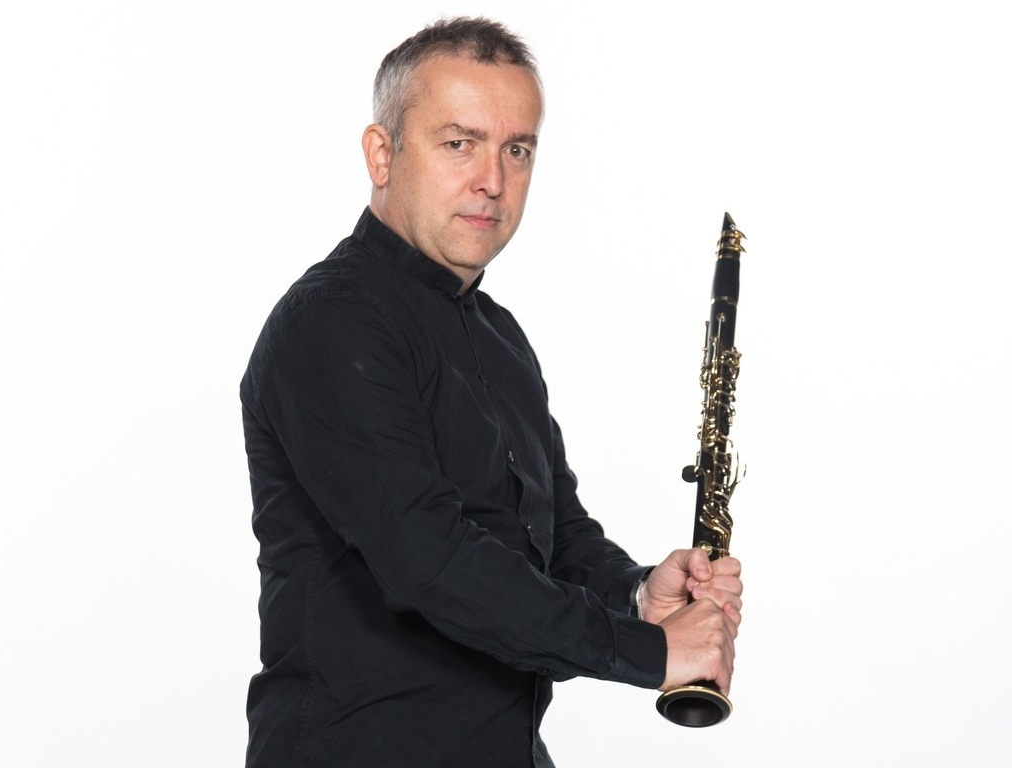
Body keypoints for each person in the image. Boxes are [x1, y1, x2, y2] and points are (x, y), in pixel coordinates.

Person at [239, 17, 742, 767]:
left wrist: (639, 594)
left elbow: (558, 535)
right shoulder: (331, 322)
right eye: (458, 143)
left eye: (517, 149)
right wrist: (649, 651)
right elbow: (431, 561)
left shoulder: (499, 336)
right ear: (382, 154)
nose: (493, 181)